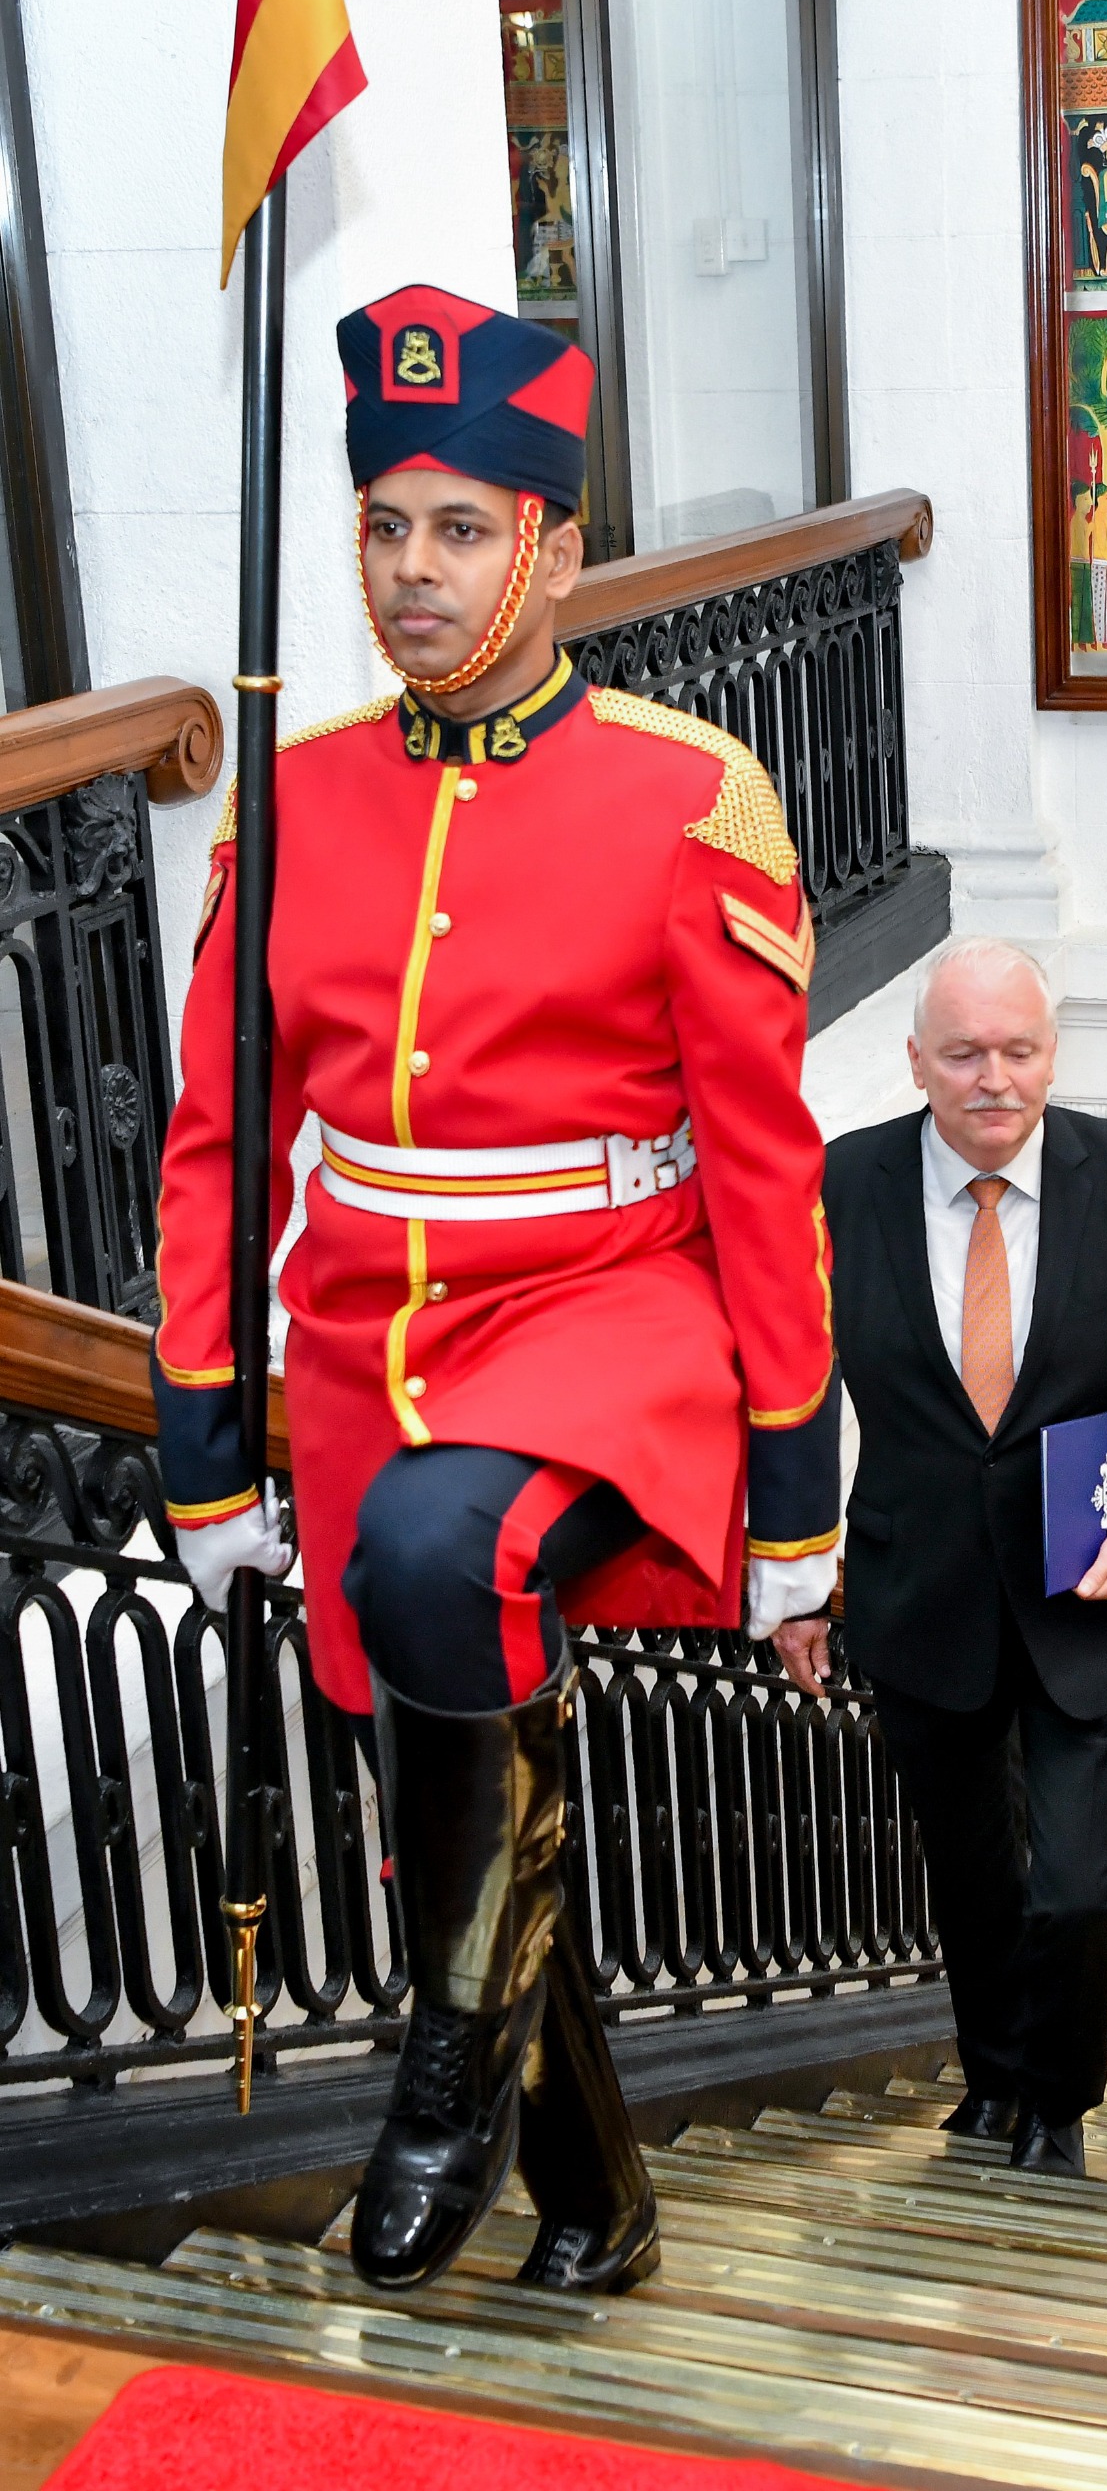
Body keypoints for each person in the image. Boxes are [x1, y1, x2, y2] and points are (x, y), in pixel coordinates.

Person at [152, 288, 840, 2296]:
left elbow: (770, 1164)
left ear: (550, 537)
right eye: (385, 526)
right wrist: (207, 1444)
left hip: (608, 1309)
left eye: (461, 529)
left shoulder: (682, 791)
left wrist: (794, 1489)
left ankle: (432, 2067)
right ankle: (601, 2198)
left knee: (444, 1565)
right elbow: (212, 1143)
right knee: (442, 1799)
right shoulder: (292, 802)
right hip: (366, 1337)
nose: (413, 573)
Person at [792, 941, 1107, 2178]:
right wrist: (794, 1573)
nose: (994, 1079)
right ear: (916, 1061)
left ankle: (1056, 2100)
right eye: (964, 1054)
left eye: (1019, 1051)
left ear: (1053, 1054)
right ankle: (993, 2080)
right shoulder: (836, 1186)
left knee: (1072, 1885)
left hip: (1100, 1589)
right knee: (966, 1873)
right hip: (922, 1588)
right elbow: (788, 1389)